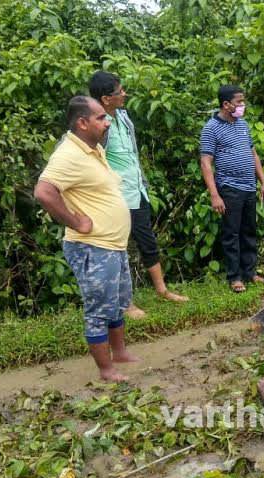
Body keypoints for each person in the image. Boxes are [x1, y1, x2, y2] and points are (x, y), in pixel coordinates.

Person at [34, 96, 138, 382]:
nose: (108, 122)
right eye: (102, 118)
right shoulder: (68, 154)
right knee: (98, 309)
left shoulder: (92, 149)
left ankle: (120, 354)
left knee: (116, 303)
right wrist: (75, 220)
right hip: (93, 247)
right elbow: (43, 192)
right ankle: (106, 370)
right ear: (82, 123)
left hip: (113, 245)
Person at [88, 71, 187, 319]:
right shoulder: (95, 125)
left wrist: (142, 180)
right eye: (119, 92)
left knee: (147, 240)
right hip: (115, 196)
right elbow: (92, 159)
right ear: (105, 98)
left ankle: (162, 290)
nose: (124, 94)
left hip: (136, 190)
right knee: (118, 250)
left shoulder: (123, 116)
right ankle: (126, 304)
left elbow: (132, 153)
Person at [199, 85, 264, 294]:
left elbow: (253, 154)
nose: (242, 106)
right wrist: (214, 194)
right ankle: (235, 277)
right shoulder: (211, 128)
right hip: (229, 188)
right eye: (239, 102)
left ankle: (250, 273)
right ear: (226, 104)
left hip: (249, 187)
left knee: (249, 231)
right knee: (232, 234)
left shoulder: (243, 125)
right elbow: (205, 163)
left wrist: (262, 182)